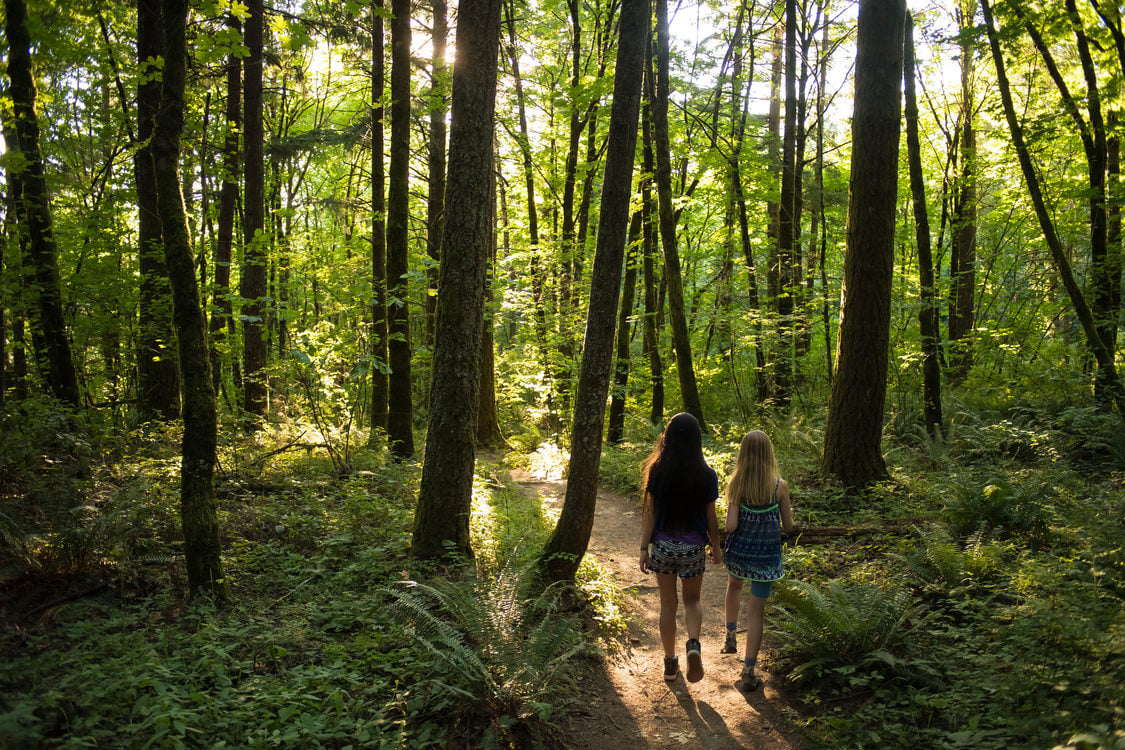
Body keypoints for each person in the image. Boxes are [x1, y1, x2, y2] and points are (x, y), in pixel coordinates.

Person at [639, 412, 722, 683]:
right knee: (692, 600)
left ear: (669, 437)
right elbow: (711, 517)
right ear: (697, 439)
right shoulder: (706, 475)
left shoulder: (657, 470)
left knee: (667, 604)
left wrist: (643, 548)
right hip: (693, 548)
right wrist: (717, 547)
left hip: (663, 547)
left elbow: (649, 514)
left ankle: (670, 663)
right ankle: (694, 646)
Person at [721, 429, 796, 690]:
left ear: (743, 454)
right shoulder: (780, 486)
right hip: (766, 559)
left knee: (733, 586)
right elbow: (788, 526)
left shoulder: (737, 484)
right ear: (769, 454)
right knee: (756, 612)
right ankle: (749, 670)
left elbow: (730, 525)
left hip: (740, 554)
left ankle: (730, 636)